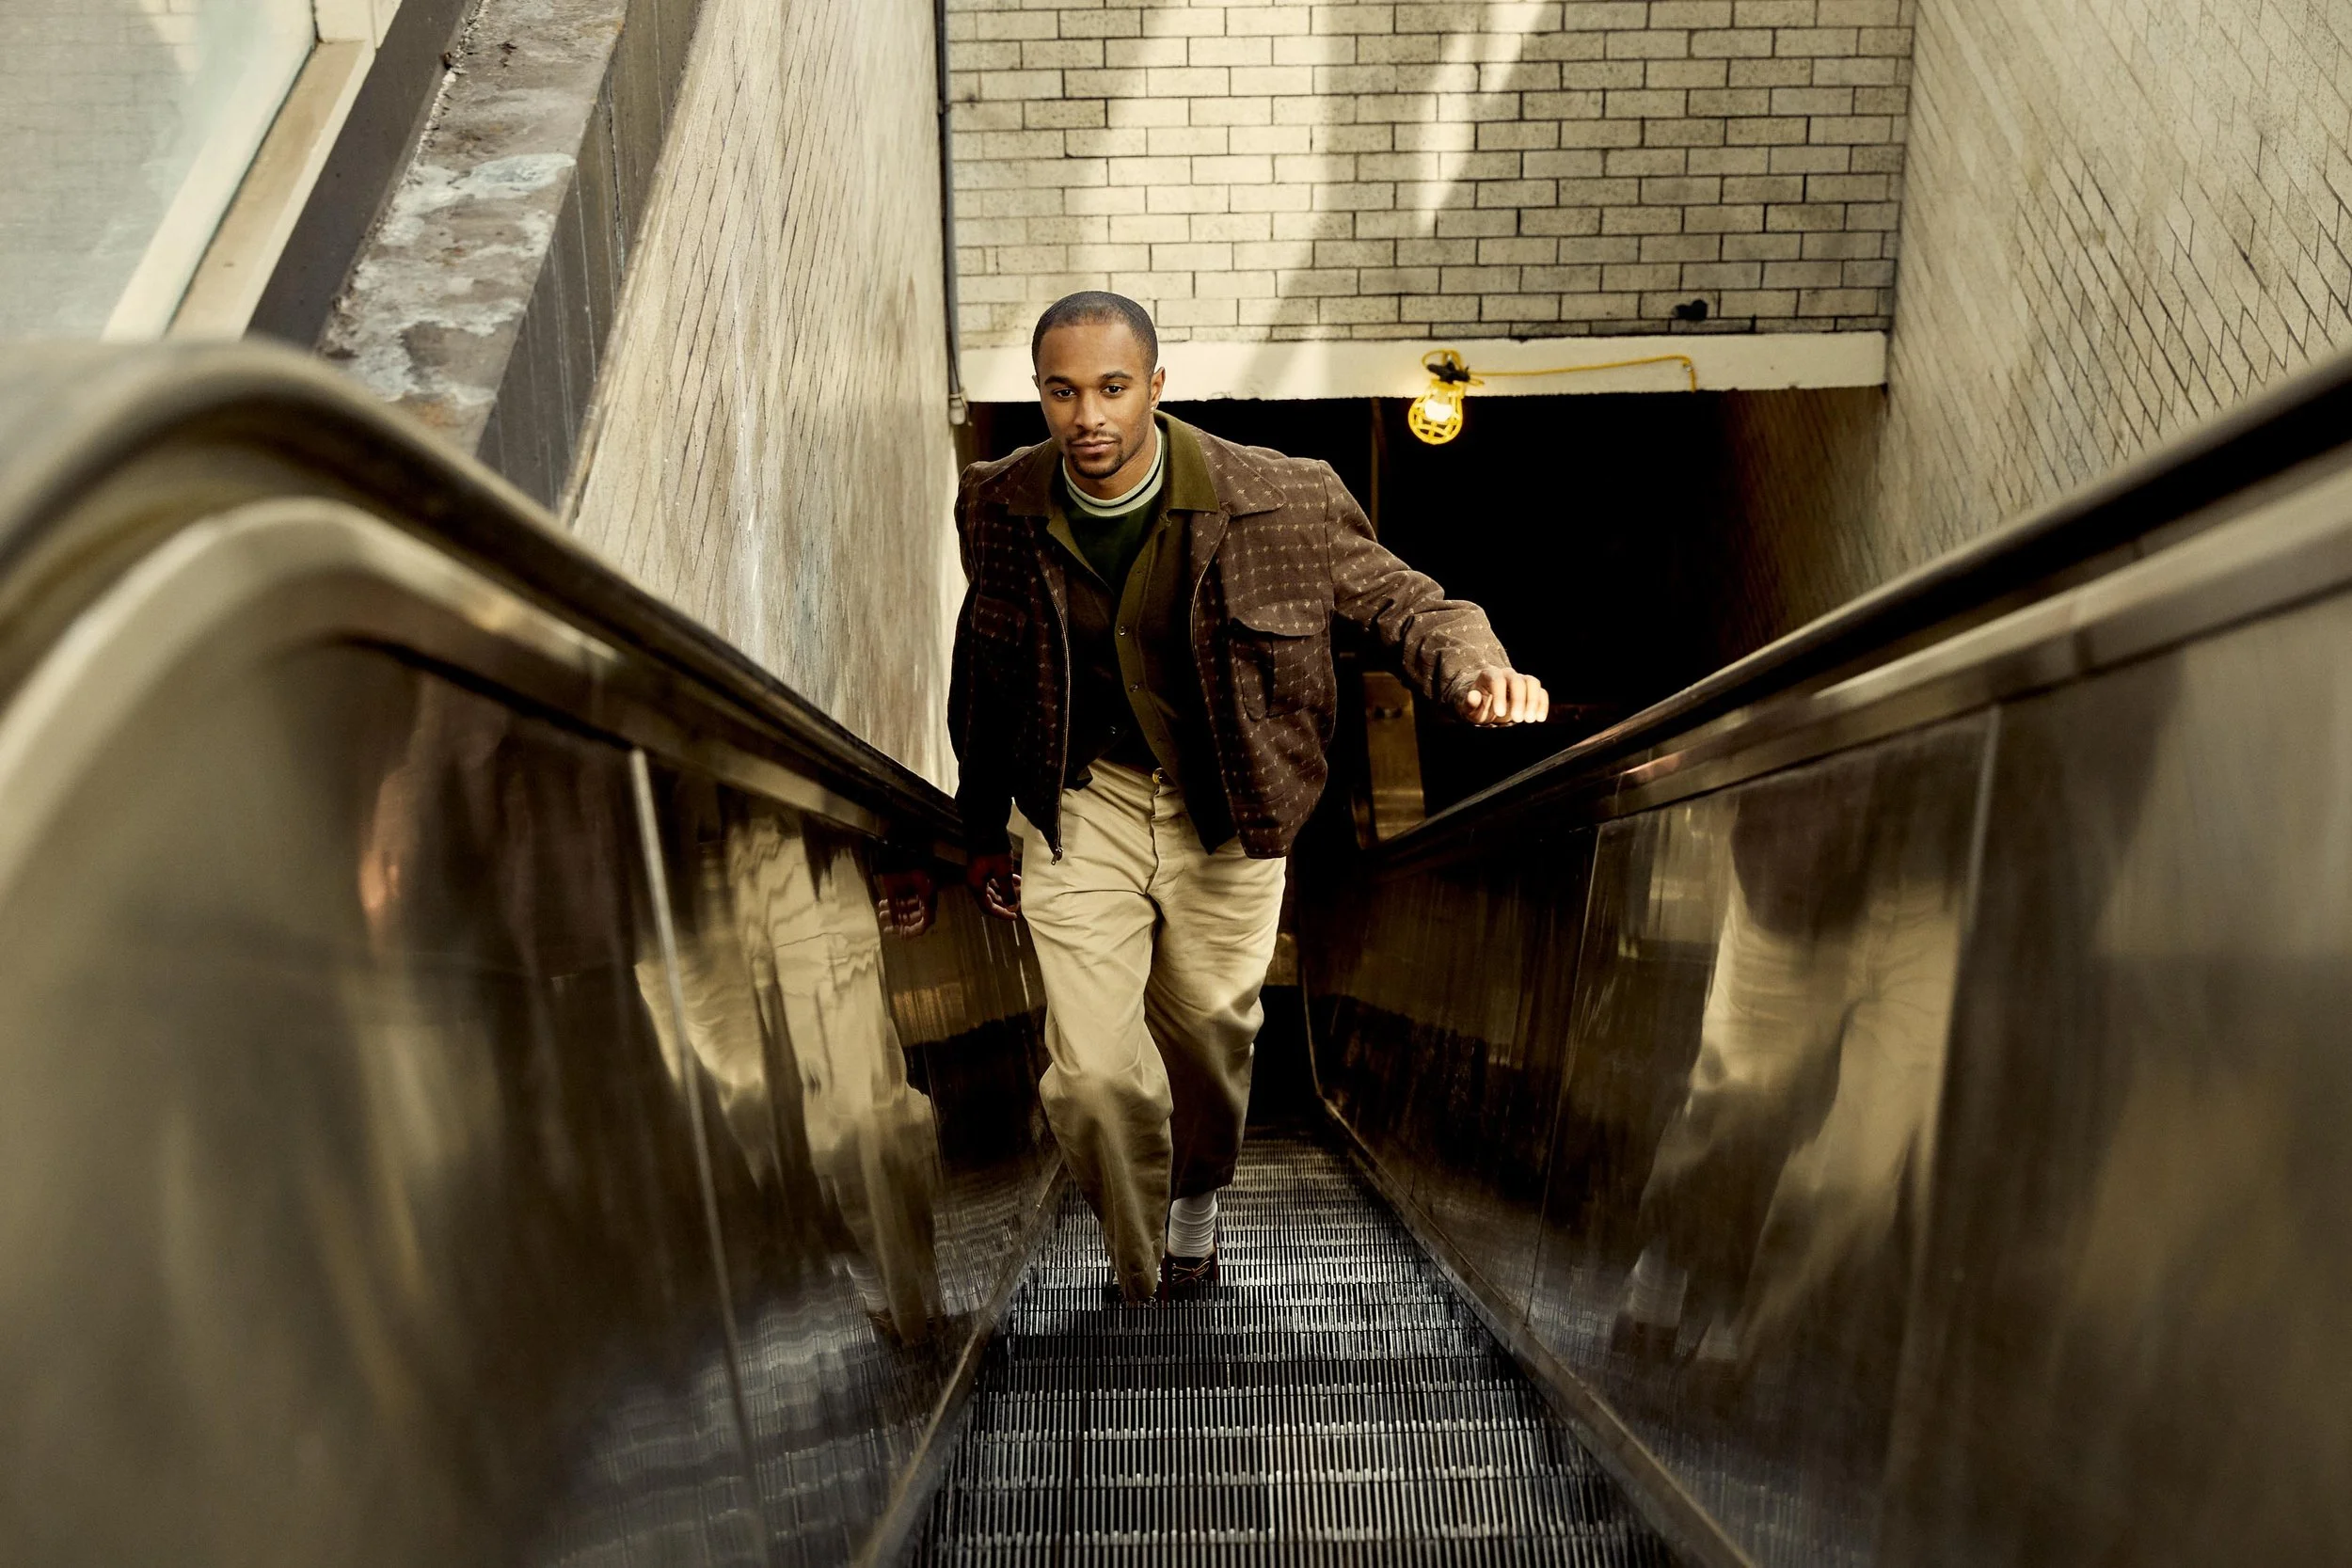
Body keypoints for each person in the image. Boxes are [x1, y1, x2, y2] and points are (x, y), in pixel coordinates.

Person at [949, 292, 1547, 1304]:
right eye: (1061, 391)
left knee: (1211, 1044)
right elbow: (984, 670)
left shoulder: (1284, 498)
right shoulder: (997, 502)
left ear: (1156, 386)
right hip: (1080, 803)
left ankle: (1194, 1206)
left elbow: (1408, 604)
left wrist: (1473, 670)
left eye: (1111, 388)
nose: (1087, 416)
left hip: (1231, 817)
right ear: (1040, 394)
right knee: (1092, 1078)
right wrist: (973, 829)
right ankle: (1143, 1274)